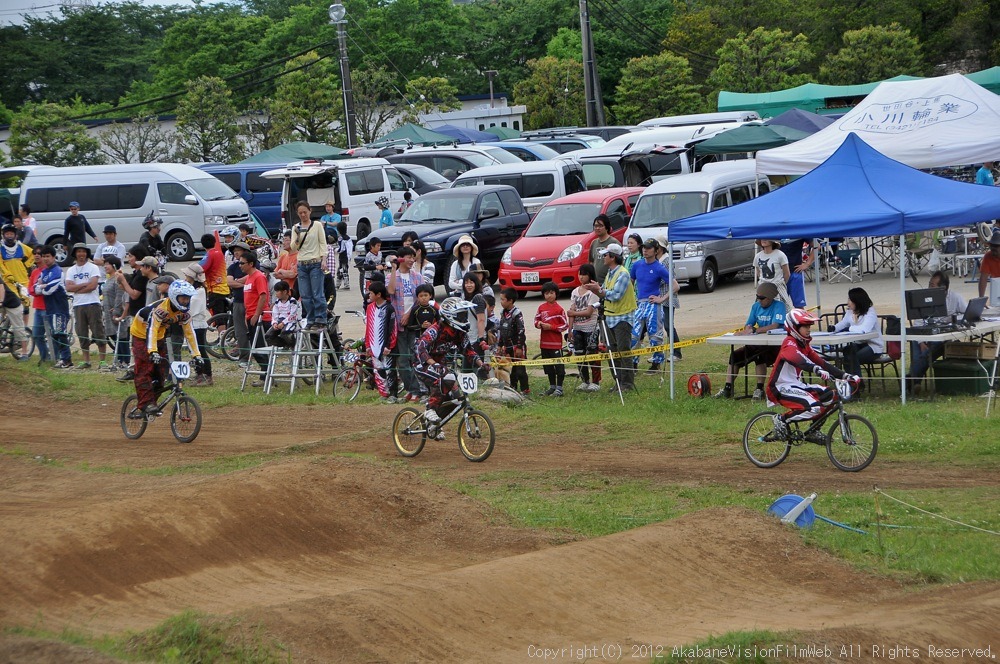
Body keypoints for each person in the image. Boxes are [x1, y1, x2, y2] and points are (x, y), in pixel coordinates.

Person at [766, 309, 858, 441]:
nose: (809, 329)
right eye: (805, 326)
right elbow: (798, 359)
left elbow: (823, 363)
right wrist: (816, 369)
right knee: (814, 408)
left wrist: (845, 376)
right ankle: (781, 419)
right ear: (794, 327)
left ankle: (813, 431)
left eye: (809, 326)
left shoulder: (804, 345)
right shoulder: (789, 343)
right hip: (780, 387)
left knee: (831, 396)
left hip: (796, 385)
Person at [128, 280, 203, 416]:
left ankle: (153, 402)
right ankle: (145, 404)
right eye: (183, 298)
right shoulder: (161, 310)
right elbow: (152, 329)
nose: (186, 301)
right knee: (144, 369)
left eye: (188, 299)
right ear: (174, 297)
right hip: (140, 334)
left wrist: (196, 355)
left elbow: (190, 333)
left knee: (161, 370)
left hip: (159, 336)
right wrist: (152, 351)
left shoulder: (184, 313)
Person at [415, 297, 489, 434]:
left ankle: (434, 425)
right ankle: (430, 408)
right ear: (450, 316)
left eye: (464, 315)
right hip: (421, 364)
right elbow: (421, 349)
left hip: (439, 365)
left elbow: (468, 350)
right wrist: (433, 364)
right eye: (460, 316)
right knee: (446, 377)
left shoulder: (458, 333)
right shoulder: (435, 330)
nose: (463, 318)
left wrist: (481, 363)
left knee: (455, 398)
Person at [714, 282, 787, 400]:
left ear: (770, 298)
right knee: (735, 356)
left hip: (774, 346)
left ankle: (759, 389)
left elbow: (775, 325)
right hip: (756, 344)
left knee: (759, 355)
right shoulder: (755, 306)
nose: (759, 300)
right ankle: (727, 388)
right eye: (757, 297)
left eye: (762, 298)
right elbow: (749, 324)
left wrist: (756, 330)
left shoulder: (779, 306)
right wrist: (747, 330)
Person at [586, 243, 636, 392]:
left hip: (622, 318)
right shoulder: (610, 273)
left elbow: (615, 295)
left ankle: (627, 383)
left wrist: (599, 290)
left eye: (605, 255)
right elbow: (607, 292)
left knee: (623, 350)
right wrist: (600, 290)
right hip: (610, 317)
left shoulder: (623, 273)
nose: (603, 258)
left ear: (613, 257)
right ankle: (618, 381)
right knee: (611, 350)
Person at [906, 271, 968, 389]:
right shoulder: (924, 298)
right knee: (920, 351)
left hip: (942, 337)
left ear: (943, 288)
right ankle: (915, 382)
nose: (929, 287)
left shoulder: (955, 297)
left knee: (928, 353)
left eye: (932, 285)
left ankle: (911, 381)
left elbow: (966, 314)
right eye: (929, 284)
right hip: (923, 335)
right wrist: (922, 342)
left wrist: (953, 318)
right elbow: (917, 324)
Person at [629, 238, 677, 374]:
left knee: (655, 336)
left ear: (656, 251)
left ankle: (656, 364)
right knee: (634, 335)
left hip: (653, 305)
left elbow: (675, 285)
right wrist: (631, 300)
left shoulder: (659, 267)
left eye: (649, 248)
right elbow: (630, 283)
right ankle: (633, 365)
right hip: (639, 304)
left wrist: (661, 299)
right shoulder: (637, 265)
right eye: (644, 247)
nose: (645, 250)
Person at [387, 246, 425, 402]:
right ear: (401, 258)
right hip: (399, 325)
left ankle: (417, 390)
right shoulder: (392, 276)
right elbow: (390, 291)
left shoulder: (417, 277)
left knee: (414, 358)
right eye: (408, 257)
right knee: (402, 360)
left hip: (414, 324)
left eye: (413, 257)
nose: (411, 260)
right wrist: (394, 269)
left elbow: (421, 299)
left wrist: (408, 315)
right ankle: (411, 389)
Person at [64, 243, 108, 369]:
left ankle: (102, 361)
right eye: (78, 252)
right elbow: (68, 287)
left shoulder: (93, 267)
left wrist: (77, 288)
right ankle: (86, 360)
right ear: (75, 254)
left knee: (98, 330)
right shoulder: (71, 270)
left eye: (83, 251)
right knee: (81, 332)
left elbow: (93, 286)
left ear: (87, 253)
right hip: (78, 304)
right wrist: (83, 285)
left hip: (93, 303)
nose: (81, 254)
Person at [831, 286, 884, 387]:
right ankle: (855, 383)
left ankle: (855, 385)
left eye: (850, 300)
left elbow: (864, 330)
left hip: (873, 346)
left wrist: (850, 328)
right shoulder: (850, 311)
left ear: (857, 301)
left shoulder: (870, 312)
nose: (848, 303)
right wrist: (834, 328)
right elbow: (843, 323)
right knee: (848, 351)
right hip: (858, 343)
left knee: (851, 358)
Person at [290, 200, 328, 330]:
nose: (303, 215)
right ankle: (311, 319)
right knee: (305, 295)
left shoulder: (317, 225)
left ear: (310, 211)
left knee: (318, 293)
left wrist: (324, 260)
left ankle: (321, 318)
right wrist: (297, 236)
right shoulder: (295, 228)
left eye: (305, 212)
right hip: (302, 263)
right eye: (300, 213)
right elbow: (293, 248)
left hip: (315, 262)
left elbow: (323, 243)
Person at [34, 245, 73, 368]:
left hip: (59, 307)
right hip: (50, 308)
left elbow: (51, 288)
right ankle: (62, 358)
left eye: (48, 256)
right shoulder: (44, 272)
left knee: (60, 333)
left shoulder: (57, 270)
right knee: (55, 334)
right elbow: (36, 288)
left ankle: (66, 359)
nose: (45, 259)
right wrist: (42, 286)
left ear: (53, 257)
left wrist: (43, 287)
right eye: (43, 256)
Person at [567, 264, 602, 392]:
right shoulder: (574, 292)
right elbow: (571, 311)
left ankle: (596, 381)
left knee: (592, 354)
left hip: (590, 327)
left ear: (590, 275)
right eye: (580, 274)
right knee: (579, 354)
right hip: (577, 328)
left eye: (584, 274)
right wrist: (570, 330)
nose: (581, 277)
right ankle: (584, 380)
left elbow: (588, 312)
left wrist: (573, 314)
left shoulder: (593, 292)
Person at [1, 222, 34, 358]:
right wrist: (7, 274)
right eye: (7, 234)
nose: (9, 236)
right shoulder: (1, 248)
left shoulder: (21, 247)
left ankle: (22, 334)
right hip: (7, 281)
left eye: (11, 234)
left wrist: (26, 264)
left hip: (22, 280)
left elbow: (32, 255)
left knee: (25, 305)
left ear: (15, 235)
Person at [240, 251, 272, 385]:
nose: (240, 265)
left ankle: (266, 377)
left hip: (260, 318)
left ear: (251, 264)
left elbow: (263, 296)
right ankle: (265, 375)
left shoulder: (259, 277)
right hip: (251, 317)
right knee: (255, 348)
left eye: (242, 263)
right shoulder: (248, 278)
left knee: (260, 348)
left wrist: (256, 315)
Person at [403, 283, 439, 399]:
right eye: (421, 296)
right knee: (418, 365)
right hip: (418, 341)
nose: (423, 298)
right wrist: (420, 326)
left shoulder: (434, 310)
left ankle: (432, 390)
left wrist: (432, 325)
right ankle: (422, 391)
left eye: (426, 295)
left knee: (430, 365)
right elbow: (409, 327)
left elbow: (440, 325)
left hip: (431, 342)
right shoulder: (415, 310)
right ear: (417, 297)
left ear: (430, 296)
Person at [365, 281, 399, 403]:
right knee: (378, 370)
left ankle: (393, 394)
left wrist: (389, 345)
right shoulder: (370, 308)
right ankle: (383, 393)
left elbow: (393, 329)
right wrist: (368, 345)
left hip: (387, 347)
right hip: (374, 346)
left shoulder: (389, 309)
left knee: (390, 370)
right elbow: (368, 327)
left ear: (378, 294)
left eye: (371, 293)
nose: (369, 295)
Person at [180, 264, 213, 387]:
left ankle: (207, 375)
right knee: (193, 350)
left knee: (200, 350)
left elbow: (191, 308)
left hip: (198, 324)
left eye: (187, 275)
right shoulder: (193, 290)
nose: (185, 278)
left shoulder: (199, 291)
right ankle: (199, 373)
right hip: (190, 324)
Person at [534, 281, 568, 396]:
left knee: (559, 366)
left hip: (555, 344)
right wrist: (538, 324)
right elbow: (535, 320)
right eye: (547, 293)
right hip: (544, 343)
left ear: (556, 294)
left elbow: (565, 325)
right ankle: (552, 387)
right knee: (548, 366)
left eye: (552, 293)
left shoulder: (559, 309)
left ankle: (560, 388)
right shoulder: (541, 308)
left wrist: (551, 327)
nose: (549, 295)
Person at [198, 231, 231, 344]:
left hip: (215, 290)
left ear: (203, 245)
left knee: (218, 317)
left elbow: (200, 268)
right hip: (224, 288)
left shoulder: (210, 254)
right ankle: (224, 337)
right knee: (222, 315)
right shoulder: (219, 253)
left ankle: (223, 340)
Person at [497, 287, 529, 394]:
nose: (501, 302)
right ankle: (513, 389)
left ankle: (525, 390)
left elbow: (521, 330)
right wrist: (500, 345)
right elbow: (502, 330)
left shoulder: (517, 313)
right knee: (512, 371)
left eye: (502, 299)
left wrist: (519, 347)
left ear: (510, 301)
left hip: (517, 346)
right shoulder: (503, 313)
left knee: (520, 370)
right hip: (507, 347)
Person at [100, 255, 130, 371]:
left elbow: (120, 295)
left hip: (117, 312)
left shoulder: (118, 278)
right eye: (104, 264)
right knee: (112, 334)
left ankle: (125, 360)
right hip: (108, 311)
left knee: (122, 336)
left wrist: (117, 310)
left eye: (107, 264)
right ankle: (119, 358)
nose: (105, 266)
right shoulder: (109, 279)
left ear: (113, 265)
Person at [227, 241, 252, 365]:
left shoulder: (253, 264)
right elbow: (229, 282)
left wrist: (240, 282)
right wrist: (245, 282)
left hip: (252, 301)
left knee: (254, 329)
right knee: (239, 331)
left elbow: (255, 277)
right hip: (237, 301)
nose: (235, 252)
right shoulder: (232, 267)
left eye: (238, 250)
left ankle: (258, 355)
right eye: (234, 250)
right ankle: (244, 357)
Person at [754, 239, 790, 310]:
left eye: (766, 238)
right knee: (762, 311)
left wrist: (781, 285)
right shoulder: (758, 256)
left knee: (783, 311)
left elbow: (787, 274)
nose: (763, 240)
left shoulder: (780, 255)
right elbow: (759, 273)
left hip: (777, 287)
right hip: (763, 287)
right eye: (761, 238)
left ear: (772, 241)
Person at [780, 238, 816, 308]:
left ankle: (799, 318)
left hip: (795, 272)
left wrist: (807, 264)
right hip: (779, 274)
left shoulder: (798, 228)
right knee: (779, 305)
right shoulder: (776, 228)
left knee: (799, 306)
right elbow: (759, 241)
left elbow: (816, 246)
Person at [265, 280, 299, 349]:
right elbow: (275, 314)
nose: (276, 294)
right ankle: (284, 344)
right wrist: (274, 323)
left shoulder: (292, 301)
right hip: (279, 321)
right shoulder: (277, 302)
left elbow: (293, 315)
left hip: (290, 321)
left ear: (285, 292)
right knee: (268, 336)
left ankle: (292, 344)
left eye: (277, 291)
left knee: (285, 334)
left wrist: (283, 323)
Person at [461, 272, 488, 353]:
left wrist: (481, 339)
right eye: (466, 283)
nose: (468, 285)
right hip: (468, 339)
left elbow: (481, 320)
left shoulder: (478, 299)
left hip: (476, 340)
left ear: (476, 283)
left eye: (471, 282)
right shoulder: (465, 298)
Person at [588, 214, 620, 284]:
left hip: (610, 282)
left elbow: (620, 263)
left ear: (607, 227)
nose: (597, 228)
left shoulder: (614, 243)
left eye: (600, 226)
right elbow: (591, 262)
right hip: (596, 283)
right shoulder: (594, 243)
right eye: (596, 226)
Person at [361, 237, 386, 308]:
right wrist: (375, 267)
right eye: (377, 246)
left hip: (379, 277)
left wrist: (383, 266)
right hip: (370, 278)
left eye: (380, 246)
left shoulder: (380, 254)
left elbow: (381, 262)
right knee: (369, 293)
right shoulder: (369, 255)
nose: (379, 247)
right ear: (372, 246)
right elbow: (366, 266)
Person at [977, 229, 1000, 298]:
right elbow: (983, 279)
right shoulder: (988, 256)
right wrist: (981, 298)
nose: (993, 248)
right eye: (991, 245)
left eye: (996, 246)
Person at [336, 221, 353, 290]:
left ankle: (344, 284)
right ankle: (340, 284)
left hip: (342, 256)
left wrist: (336, 250)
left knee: (341, 270)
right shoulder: (348, 238)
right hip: (347, 256)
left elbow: (341, 248)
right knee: (344, 269)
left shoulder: (340, 238)